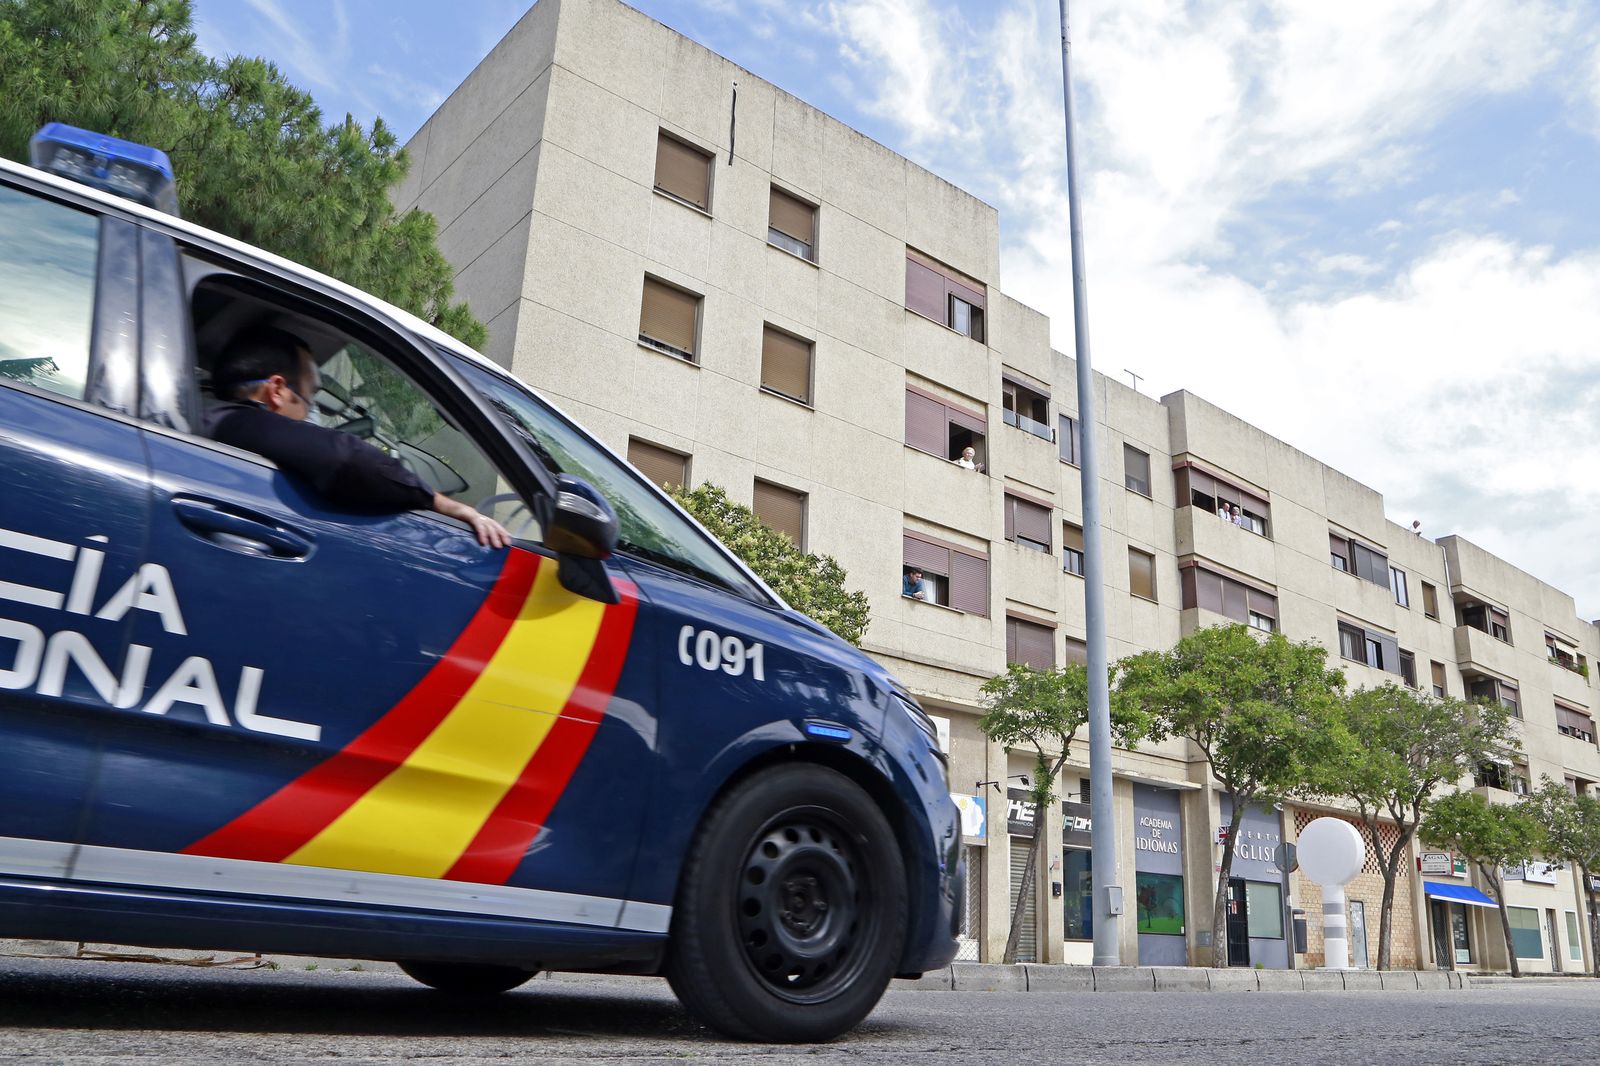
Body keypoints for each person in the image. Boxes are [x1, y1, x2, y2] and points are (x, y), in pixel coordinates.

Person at [205, 327, 510, 548]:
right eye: (311, 395)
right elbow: (347, 458)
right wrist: (443, 504)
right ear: (277, 391)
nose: (312, 411)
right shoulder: (236, 423)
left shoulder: (214, 421)